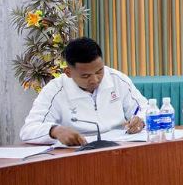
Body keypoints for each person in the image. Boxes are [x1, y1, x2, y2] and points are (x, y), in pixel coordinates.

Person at [20, 37, 148, 145]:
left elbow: (146, 109)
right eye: (85, 76)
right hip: (78, 152)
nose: (95, 80)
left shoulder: (117, 79)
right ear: (68, 72)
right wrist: (55, 131)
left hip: (119, 146)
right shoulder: (54, 90)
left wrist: (141, 120)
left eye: (99, 71)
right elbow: (28, 130)